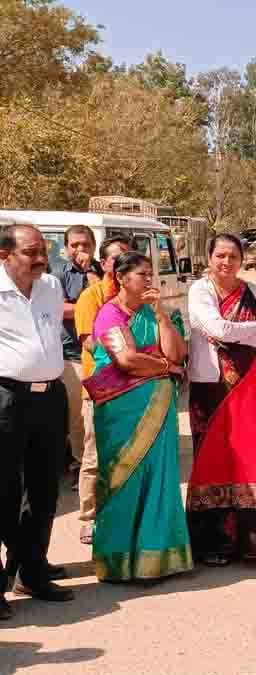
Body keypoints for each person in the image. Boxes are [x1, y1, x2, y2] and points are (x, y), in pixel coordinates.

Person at [87, 251, 193, 582]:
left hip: (160, 407)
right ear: (121, 278)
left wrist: (160, 315)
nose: (149, 280)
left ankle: (157, 559)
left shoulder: (158, 313)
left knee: (159, 478)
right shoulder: (109, 314)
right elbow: (127, 360)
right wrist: (165, 367)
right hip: (122, 410)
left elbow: (177, 352)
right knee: (124, 479)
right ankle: (119, 562)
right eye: (142, 274)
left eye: (151, 274)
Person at [186, 234, 256, 566]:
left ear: (242, 259)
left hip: (250, 388)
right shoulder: (199, 291)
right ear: (209, 258)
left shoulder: (254, 292)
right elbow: (216, 329)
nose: (226, 262)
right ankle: (213, 543)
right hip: (213, 388)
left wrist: (249, 329)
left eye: (233, 256)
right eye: (220, 255)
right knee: (214, 458)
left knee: (250, 454)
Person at [0, 225, 74, 618]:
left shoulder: (49, 287)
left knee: (45, 490)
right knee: (3, 492)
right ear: (5, 255)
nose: (41, 258)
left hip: (50, 398)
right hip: (6, 399)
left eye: (43, 250)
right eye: (31, 252)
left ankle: (33, 571)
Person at [73, 234, 131, 544]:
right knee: (94, 457)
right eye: (116, 258)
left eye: (128, 257)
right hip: (101, 387)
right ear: (105, 263)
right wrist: (131, 355)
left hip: (134, 387)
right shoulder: (91, 297)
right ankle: (88, 518)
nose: (123, 263)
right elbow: (90, 342)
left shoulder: (139, 297)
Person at [50, 225, 102, 487]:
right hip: (72, 353)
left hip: (102, 354)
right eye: (74, 245)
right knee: (78, 416)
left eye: (85, 245)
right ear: (66, 247)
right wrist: (90, 301)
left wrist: (95, 282)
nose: (80, 250)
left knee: (99, 413)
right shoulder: (57, 273)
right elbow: (56, 309)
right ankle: (81, 465)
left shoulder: (102, 271)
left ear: (93, 245)